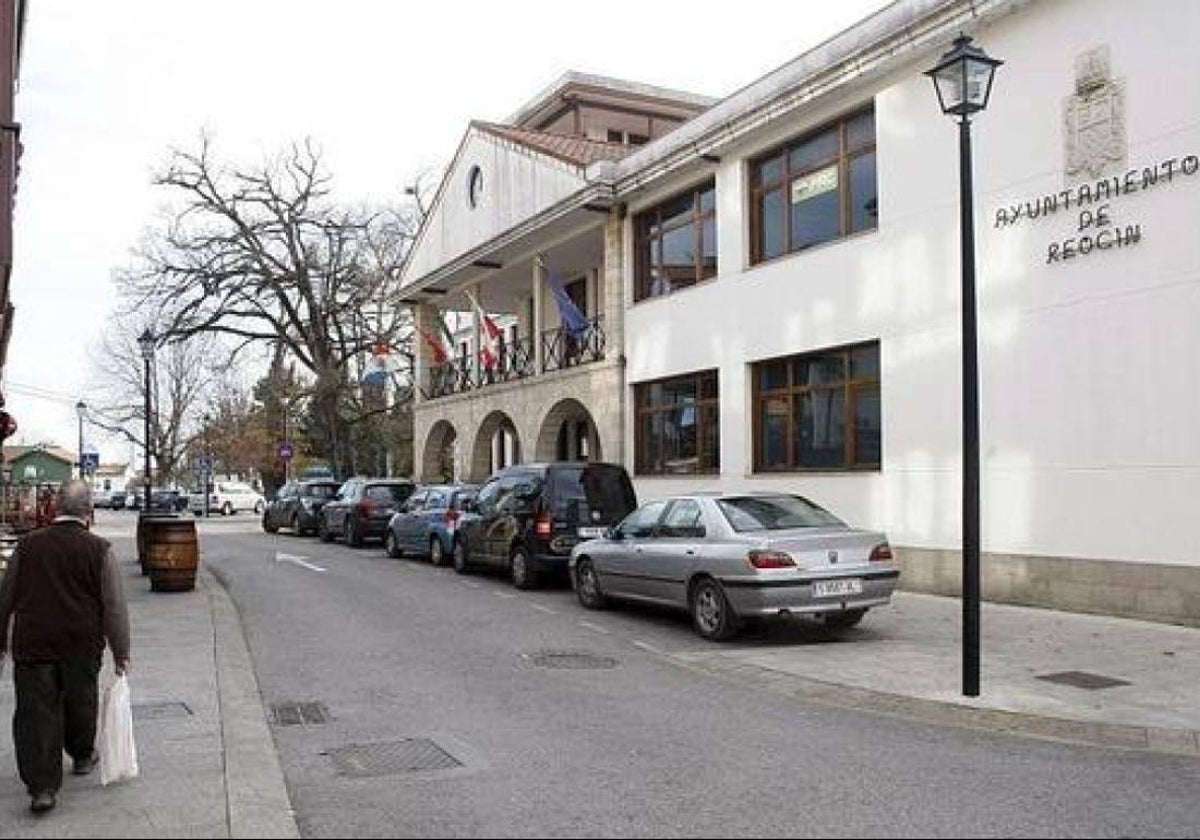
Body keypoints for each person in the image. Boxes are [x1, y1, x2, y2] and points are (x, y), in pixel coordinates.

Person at [0, 480, 131, 815]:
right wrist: (121, 652)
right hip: (80, 643)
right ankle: (83, 755)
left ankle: (42, 787)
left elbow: (6, 596)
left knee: (35, 713)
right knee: (81, 700)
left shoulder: (27, 546)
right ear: (89, 511)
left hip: (33, 643)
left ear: (56, 508)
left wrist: (1, 640)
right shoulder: (99, 549)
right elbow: (113, 605)